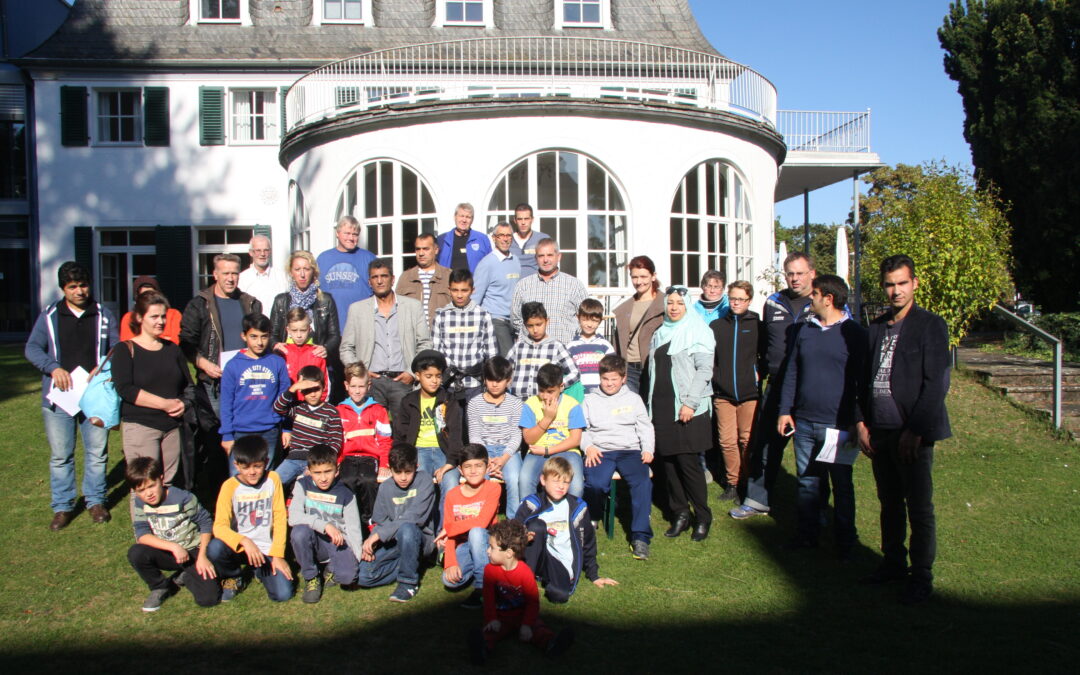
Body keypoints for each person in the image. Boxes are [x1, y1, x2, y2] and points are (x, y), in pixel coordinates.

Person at [856, 254, 951, 605]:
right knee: (889, 503)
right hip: (879, 429)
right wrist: (860, 422)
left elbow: (936, 384)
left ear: (914, 284)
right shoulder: (877, 327)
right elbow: (861, 380)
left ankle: (921, 574)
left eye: (901, 283)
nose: (895, 291)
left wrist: (916, 430)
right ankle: (893, 563)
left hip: (912, 431)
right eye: (889, 284)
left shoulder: (930, 325)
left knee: (919, 506)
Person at [777, 274, 867, 558]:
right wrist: (784, 411)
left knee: (841, 484)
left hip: (837, 425)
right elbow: (792, 372)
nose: (810, 298)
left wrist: (857, 420)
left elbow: (860, 382)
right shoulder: (805, 330)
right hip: (803, 422)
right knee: (807, 482)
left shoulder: (854, 333)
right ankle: (807, 535)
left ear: (828, 298)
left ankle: (845, 542)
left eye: (814, 294)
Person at [25, 261, 119, 530]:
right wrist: (53, 368)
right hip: (59, 397)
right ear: (63, 289)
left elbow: (116, 347)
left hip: (94, 396)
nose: (79, 291)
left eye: (83, 285)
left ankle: (96, 500)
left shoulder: (103, 314)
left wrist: (103, 367)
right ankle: (63, 506)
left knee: (97, 453)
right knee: (61, 455)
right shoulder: (50, 315)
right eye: (72, 287)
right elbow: (33, 348)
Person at [730, 252, 816, 520]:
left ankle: (815, 508)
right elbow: (765, 341)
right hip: (777, 385)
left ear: (812, 273)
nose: (795, 278)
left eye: (800, 273)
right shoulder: (774, 302)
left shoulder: (822, 301)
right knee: (765, 444)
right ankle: (757, 500)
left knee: (812, 450)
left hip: (810, 386)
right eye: (790, 273)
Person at [180, 253, 262, 484]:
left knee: (246, 436)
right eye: (225, 273)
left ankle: (247, 486)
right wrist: (203, 363)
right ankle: (220, 491)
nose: (230, 278)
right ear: (215, 274)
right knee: (219, 437)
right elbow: (186, 342)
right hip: (214, 383)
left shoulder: (250, 303)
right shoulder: (200, 304)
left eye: (234, 273)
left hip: (246, 382)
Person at [646, 285, 715, 541]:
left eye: (680, 303)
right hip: (662, 407)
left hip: (687, 408)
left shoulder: (699, 331)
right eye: (671, 302)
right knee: (669, 465)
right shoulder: (660, 332)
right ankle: (680, 514)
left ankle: (703, 516)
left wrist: (690, 402)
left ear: (688, 306)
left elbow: (704, 371)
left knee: (688, 464)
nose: (674, 307)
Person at [112, 291, 193, 487]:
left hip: (172, 428)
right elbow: (125, 389)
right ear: (139, 318)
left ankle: (169, 518)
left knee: (169, 484)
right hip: (141, 427)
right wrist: (164, 404)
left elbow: (188, 386)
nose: (161, 321)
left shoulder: (172, 349)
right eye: (154, 316)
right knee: (144, 485)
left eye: (163, 316)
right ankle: (142, 520)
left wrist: (183, 403)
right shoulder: (125, 350)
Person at [468, 519, 575, 665]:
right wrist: (492, 619)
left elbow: (532, 602)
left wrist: (526, 624)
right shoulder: (489, 570)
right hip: (501, 616)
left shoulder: (525, 573)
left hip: (522, 614)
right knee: (489, 632)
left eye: (491, 547)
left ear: (509, 553)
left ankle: (552, 644)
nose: (487, 551)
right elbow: (489, 599)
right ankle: (482, 650)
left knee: (538, 629)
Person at [513, 456, 618, 604]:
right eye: (555, 481)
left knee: (560, 595)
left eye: (566, 482)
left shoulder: (578, 507)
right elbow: (513, 531)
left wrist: (594, 575)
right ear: (543, 480)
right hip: (535, 554)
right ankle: (524, 582)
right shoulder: (531, 503)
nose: (561, 486)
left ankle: (548, 579)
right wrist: (523, 537)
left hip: (560, 559)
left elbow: (588, 542)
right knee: (537, 525)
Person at [581, 354, 655, 560]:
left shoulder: (633, 399)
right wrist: (588, 447)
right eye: (605, 379)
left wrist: (648, 449)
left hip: (630, 450)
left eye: (614, 379)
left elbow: (645, 426)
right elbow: (582, 429)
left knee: (641, 483)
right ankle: (594, 514)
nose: (609, 383)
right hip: (601, 450)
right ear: (599, 378)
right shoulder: (589, 399)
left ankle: (640, 536)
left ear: (623, 378)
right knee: (595, 483)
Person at [339, 258, 432, 423]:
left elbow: (425, 343)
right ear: (369, 281)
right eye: (375, 277)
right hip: (372, 381)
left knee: (404, 432)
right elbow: (346, 348)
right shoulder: (357, 309)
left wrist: (412, 373)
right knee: (373, 431)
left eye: (384, 276)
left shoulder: (412, 306)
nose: (380, 281)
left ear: (393, 279)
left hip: (402, 380)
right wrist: (360, 372)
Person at [208, 436, 294, 603]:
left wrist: (278, 555)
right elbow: (219, 527)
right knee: (214, 548)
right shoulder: (229, 486)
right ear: (236, 465)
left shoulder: (273, 479)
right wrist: (245, 541)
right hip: (240, 547)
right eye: (245, 467)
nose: (252, 472)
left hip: (265, 547)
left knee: (283, 595)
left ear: (266, 462)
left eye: (257, 466)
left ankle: (259, 569)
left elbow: (280, 517)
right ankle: (233, 576)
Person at [125, 457, 219, 612]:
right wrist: (173, 547)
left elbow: (206, 523)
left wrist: (203, 556)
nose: (148, 494)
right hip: (169, 552)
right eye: (141, 490)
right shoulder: (140, 503)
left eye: (151, 486)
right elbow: (141, 533)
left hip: (193, 551)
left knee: (208, 599)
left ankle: (186, 576)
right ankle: (160, 587)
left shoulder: (183, 498)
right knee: (136, 552)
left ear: (161, 479)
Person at [356, 442, 437, 603]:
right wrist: (371, 543)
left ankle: (408, 583)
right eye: (397, 472)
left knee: (407, 528)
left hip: (419, 539)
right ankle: (411, 563)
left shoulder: (425, 481)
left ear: (416, 466)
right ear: (390, 469)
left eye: (408, 472)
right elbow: (380, 521)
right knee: (363, 576)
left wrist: (378, 535)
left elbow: (414, 517)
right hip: (393, 541)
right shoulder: (385, 487)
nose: (403, 477)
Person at [392, 350, 464, 521]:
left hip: (444, 452)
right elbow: (401, 434)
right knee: (420, 486)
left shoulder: (448, 400)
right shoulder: (408, 401)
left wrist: (450, 463)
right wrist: (404, 459)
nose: (434, 381)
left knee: (451, 483)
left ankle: (445, 533)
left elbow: (455, 434)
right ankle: (422, 531)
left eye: (438, 376)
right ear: (417, 376)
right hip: (418, 451)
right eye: (428, 376)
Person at [289, 444, 364, 604]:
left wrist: (356, 559)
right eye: (317, 473)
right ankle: (311, 577)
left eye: (327, 472)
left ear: (336, 470)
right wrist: (325, 526)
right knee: (299, 532)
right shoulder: (303, 485)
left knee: (348, 577)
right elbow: (293, 517)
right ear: (309, 471)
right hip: (313, 539)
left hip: (337, 542)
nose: (323, 478)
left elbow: (354, 529)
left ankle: (331, 567)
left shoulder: (346, 494)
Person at [218, 313, 290, 476]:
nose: (259, 342)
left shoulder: (277, 362)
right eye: (254, 336)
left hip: (269, 430)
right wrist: (227, 434)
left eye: (264, 337)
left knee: (266, 476)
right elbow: (226, 403)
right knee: (239, 477)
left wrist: (286, 428)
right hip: (240, 431)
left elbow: (284, 399)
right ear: (243, 336)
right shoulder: (233, 366)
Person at [710, 280, 762, 501]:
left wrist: (759, 374)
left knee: (746, 439)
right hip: (723, 394)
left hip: (749, 393)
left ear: (749, 300)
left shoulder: (758, 325)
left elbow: (766, 354)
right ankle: (732, 482)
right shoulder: (717, 326)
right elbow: (711, 359)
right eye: (732, 298)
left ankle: (747, 482)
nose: (736, 303)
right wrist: (716, 378)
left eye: (741, 299)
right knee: (727, 440)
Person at [438, 443, 501, 609]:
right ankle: (490, 570)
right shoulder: (452, 495)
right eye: (468, 466)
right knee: (449, 581)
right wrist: (450, 563)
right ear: (460, 470)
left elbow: (481, 523)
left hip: (489, 542)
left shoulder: (493, 488)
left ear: (487, 468)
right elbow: (449, 534)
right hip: (464, 545)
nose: (473, 471)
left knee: (476, 532)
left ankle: (482, 587)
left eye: (479, 466)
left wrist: (450, 528)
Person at [518, 364, 587, 501]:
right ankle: (528, 519)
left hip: (567, 450)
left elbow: (575, 440)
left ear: (561, 387)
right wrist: (547, 419)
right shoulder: (531, 404)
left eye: (550, 391)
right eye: (541, 391)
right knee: (525, 481)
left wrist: (548, 450)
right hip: (537, 451)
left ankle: (571, 518)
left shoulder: (572, 405)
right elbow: (529, 439)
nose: (545, 396)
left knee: (577, 485)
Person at [466, 356, 524, 517]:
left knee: (514, 478)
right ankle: (481, 517)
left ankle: (514, 522)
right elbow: (475, 435)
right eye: (491, 379)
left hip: (509, 451)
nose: (495, 384)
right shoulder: (475, 403)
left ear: (508, 381)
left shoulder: (516, 403)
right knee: (478, 476)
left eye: (499, 380)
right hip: (483, 451)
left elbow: (516, 436)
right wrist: (486, 459)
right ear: (485, 380)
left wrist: (503, 459)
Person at [336, 361, 392, 527]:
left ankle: (371, 520)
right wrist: (337, 462)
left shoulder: (378, 410)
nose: (357, 391)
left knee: (368, 481)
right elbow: (337, 440)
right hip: (348, 457)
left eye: (361, 386)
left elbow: (385, 439)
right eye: (353, 386)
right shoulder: (340, 410)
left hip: (370, 457)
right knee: (347, 480)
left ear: (368, 385)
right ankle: (350, 521)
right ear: (346, 386)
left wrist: (384, 463)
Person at [269, 250, 340, 375]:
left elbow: (334, 335)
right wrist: (275, 344)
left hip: (315, 362)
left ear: (313, 272)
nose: (302, 274)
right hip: (287, 363)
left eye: (306, 269)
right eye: (297, 269)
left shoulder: (326, 300)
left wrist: (325, 348)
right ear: (291, 272)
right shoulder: (281, 301)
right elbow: (271, 334)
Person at [272, 365, 344, 487]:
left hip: (316, 462)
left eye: (316, 389)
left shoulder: (331, 411)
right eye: (307, 390)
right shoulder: (298, 408)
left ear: (323, 387)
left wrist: (322, 462)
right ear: (301, 391)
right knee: (273, 483)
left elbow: (335, 441)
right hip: (293, 459)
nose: (313, 394)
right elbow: (278, 407)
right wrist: (293, 389)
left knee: (308, 488)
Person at [433, 268, 498, 398]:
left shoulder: (483, 315)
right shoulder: (441, 316)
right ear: (449, 289)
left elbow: (491, 353)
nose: (459, 295)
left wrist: (490, 380)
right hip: (448, 384)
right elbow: (436, 353)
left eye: (464, 290)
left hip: (475, 384)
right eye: (455, 290)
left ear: (472, 290)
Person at [510, 238, 587, 346]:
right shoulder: (523, 285)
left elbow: (585, 318)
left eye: (550, 255)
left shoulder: (574, 285)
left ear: (559, 257)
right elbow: (516, 319)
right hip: (532, 352)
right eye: (541, 256)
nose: (545, 260)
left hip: (565, 351)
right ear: (536, 258)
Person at [612, 256, 665, 395]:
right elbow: (618, 344)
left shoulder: (666, 304)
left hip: (655, 366)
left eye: (643, 276)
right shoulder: (625, 308)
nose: (639, 281)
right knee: (631, 412)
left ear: (653, 276)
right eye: (634, 277)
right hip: (629, 369)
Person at [506, 301, 580, 401]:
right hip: (518, 403)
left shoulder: (556, 347)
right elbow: (504, 371)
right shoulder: (518, 347)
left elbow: (575, 372)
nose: (535, 330)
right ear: (524, 325)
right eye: (530, 326)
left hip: (545, 403)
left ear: (547, 321)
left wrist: (558, 386)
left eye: (539, 324)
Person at [317, 215, 377, 333]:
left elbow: (380, 291)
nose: (351, 238)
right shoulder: (323, 258)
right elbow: (315, 291)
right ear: (337, 233)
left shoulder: (369, 258)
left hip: (361, 327)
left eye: (355, 234)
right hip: (331, 329)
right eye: (347, 233)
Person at [472, 221, 521, 356]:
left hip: (513, 321)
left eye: (508, 235)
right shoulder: (486, 264)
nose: (505, 239)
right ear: (494, 238)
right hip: (496, 321)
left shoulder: (515, 261)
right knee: (509, 360)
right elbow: (475, 298)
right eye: (501, 235)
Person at [397, 232, 452, 327]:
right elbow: (397, 310)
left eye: (426, 249)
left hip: (442, 335)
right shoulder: (405, 277)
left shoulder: (449, 276)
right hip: (414, 336)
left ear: (436, 250)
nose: (421, 253)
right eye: (418, 249)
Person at [274, 307, 330, 399]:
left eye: (303, 330)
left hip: (311, 405)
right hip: (286, 404)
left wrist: (319, 407)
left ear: (309, 329)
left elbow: (325, 384)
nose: (299, 335)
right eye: (294, 330)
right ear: (288, 330)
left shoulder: (317, 353)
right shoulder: (282, 353)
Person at [566, 298, 615, 398]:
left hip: (601, 395)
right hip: (578, 395)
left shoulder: (606, 346)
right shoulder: (570, 347)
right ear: (578, 318)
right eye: (585, 319)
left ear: (600, 321)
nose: (589, 324)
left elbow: (612, 371)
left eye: (594, 320)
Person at [119, 276, 182, 343]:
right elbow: (128, 343)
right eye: (144, 297)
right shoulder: (129, 317)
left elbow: (175, 342)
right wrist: (164, 339)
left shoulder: (173, 314)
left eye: (153, 295)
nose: (149, 299)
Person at [436, 202, 491, 273]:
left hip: (475, 283)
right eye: (461, 216)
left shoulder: (482, 239)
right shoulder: (442, 240)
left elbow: (490, 265)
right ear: (455, 217)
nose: (464, 220)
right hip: (448, 283)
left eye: (468, 217)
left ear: (472, 220)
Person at [238, 234, 287, 313]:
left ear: (270, 251)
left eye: (266, 250)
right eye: (258, 250)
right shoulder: (242, 279)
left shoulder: (282, 277)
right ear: (251, 252)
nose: (262, 254)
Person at [510, 203, 545, 279]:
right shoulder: (507, 240)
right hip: (512, 286)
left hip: (535, 286)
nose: (523, 223)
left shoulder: (543, 239)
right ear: (515, 220)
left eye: (526, 219)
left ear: (532, 219)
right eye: (520, 219)